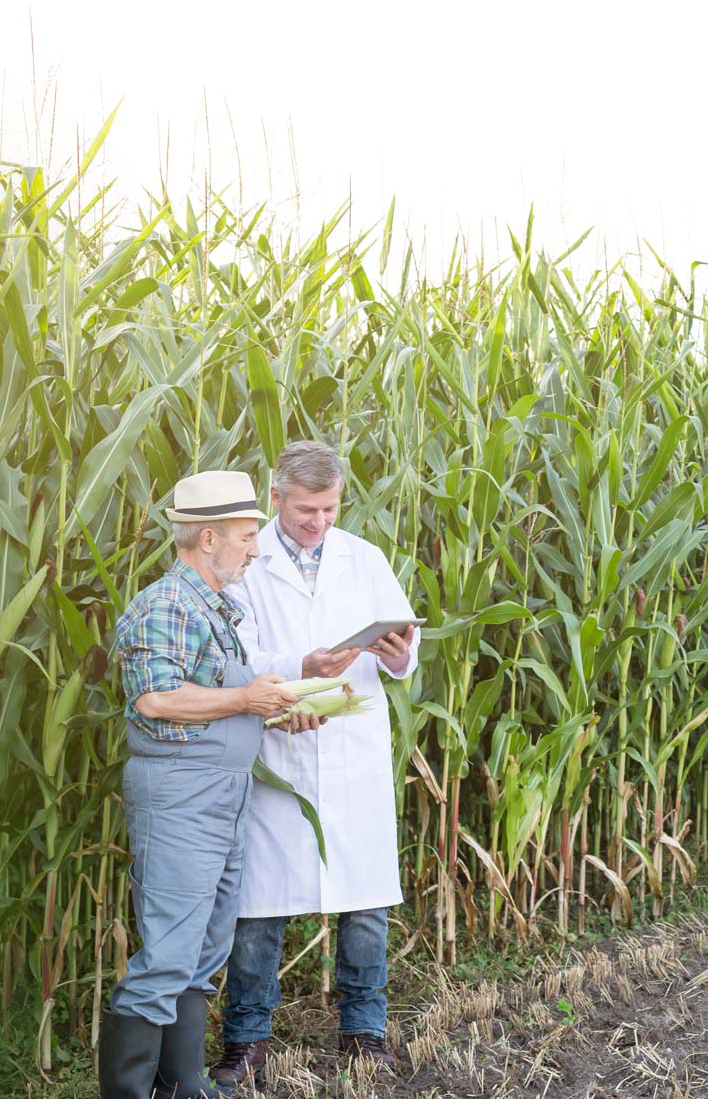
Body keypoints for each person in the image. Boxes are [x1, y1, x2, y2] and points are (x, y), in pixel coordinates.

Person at [103, 471, 322, 1099]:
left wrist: (277, 708)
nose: (256, 548)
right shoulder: (166, 603)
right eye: (248, 536)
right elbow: (154, 699)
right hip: (182, 795)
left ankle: (183, 1086)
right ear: (208, 538)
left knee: (202, 951)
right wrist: (247, 697)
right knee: (168, 955)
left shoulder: (216, 606)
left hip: (225, 794)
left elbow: (227, 698)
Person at [211, 442, 420, 1089]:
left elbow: (406, 655)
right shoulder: (249, 563)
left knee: (365, 904)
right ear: (276, 498)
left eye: (329, 509)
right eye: (306, 510)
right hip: (278, 746)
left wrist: (396, 654)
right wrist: (302, 669)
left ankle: (365, 1034)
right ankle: (245, 1043)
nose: (319, 522)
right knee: (260, 907)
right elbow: (236, 653)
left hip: (351, 751)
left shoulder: (367, 559)